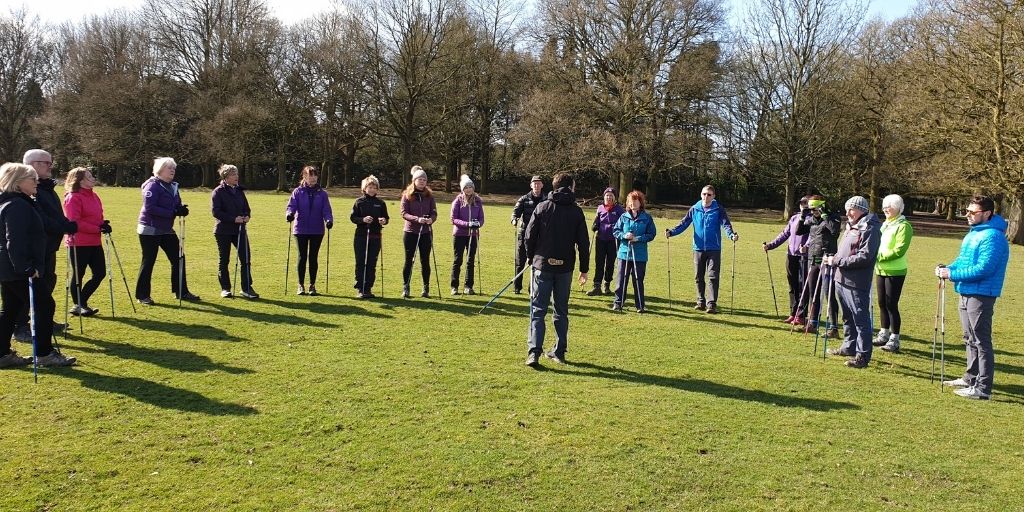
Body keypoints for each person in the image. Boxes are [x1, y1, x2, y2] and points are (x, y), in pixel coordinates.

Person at [0, 163, 75, 367]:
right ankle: (44, 353)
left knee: (11, 308)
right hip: (18, 269)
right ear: (18, 182)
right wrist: (25, 266)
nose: (36, 182)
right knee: (44, 305)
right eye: (32, 179)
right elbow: (14, 240)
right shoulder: (17, 205)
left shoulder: (14, 202)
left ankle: (2, 354)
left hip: (9, 268)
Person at [938, 196, 1009, 400]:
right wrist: (948, 268)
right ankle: (970, 377)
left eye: (972, 212)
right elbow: (963, 260)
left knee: (981, 340)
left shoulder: (993, 237)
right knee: (969, 338)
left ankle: (983, 388)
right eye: (967, 211)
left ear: (986, 213)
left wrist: (952, 275)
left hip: (982, 293)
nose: (967, 215)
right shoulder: (974, 234)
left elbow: (984, 269)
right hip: (966, 291)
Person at [524, 172, 589, 367]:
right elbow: (583, 244)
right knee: (561, 311)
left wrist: (530, 257)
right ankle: (559, 351)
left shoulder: (542, 207)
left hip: (542, 266)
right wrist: (584, 269)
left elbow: (529, 236)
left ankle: (534, 352)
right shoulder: (576, 211)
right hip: (564, 268)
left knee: (538, 310)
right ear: (571, 187)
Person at [12, 149, 77, 341]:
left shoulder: (47, 188)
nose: (51, 166)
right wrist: (64, 227)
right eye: (46, 163)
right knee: (29, 286)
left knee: (48, 281)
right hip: (35, 248)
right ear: (33, 165)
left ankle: (42, 320)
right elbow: (41, 219)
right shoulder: (29, 192)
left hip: (49, 246)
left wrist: (66, 224)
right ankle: (21, 325)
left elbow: (54, 214)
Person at [823, 196, 881, 369]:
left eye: (852, 209)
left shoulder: (870, 228)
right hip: (841, 279)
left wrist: (837, 261)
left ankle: (862, 356)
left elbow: (865, 256)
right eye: (847, 209)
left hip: (857, 282)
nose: (848, 213)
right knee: (847, 317)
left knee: (860, 320)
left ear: (862, 209)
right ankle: (849, 346)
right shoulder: (851, 225)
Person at [665, 184, 738, 314]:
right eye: (704, 194)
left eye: (709, 195)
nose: (706, 197)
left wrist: (731, 235)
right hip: (698, 248)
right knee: (698, 276)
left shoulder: (718, 209)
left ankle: (711, 304)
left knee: (713, 276)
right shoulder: (694, 209)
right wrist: (671, 232)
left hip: (714, 248)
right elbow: (684, 223)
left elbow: (726, 225)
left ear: (713, 196)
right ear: (701, 194)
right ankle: (700, 302)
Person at [135, 157, 199, 304]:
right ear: (160, 170)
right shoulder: (152, 186)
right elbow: (150, 208)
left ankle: (181, 291)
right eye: (169, 168)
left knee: (179, 258)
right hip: (149, 228)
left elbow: (176, 204)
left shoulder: (173, 186)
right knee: (149, 260)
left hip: (166, 228)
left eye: (173, 168)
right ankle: (142, 295)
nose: (172, 170)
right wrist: (172, 212)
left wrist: (181, 209)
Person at [63, 167, 110, 316]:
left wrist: (103, 224)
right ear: (80, 180)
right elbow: (74, 222)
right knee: (79, 274)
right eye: (89, 176)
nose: (93, 178)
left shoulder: (94, 196)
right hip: (78, 242)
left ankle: (80, 302)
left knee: (100, 273)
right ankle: (79, 305)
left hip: (95, 241)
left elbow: (97, 216)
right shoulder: (73, 197)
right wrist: (97, 228)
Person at [791, 195, 840, 333]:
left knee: (828, 294)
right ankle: (812, 323)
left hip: (827, 259)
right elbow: (799, 231)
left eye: (815, 209)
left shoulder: (832, 217)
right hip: (813, 259)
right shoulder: (811, 219)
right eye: (811, 210)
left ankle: (833, 327)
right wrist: (802, 215)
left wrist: (824, 215)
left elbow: (835, 232)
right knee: (813, 292)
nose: (813, 212)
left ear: (822, 206)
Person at [873, 194, 913, 352]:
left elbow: (899, 250)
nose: (885, 209)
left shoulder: (904, 226)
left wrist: (878, 257)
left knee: (891, 304)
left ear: (898, 208)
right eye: (884, 206)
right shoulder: (886, 224)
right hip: (880, 269)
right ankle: (883, 333)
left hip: (895, 270)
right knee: (882, 303)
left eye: (889, 206)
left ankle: (894, 339)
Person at [286, 165, 333, 296]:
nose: (312, 178)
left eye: (314, 175)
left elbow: (326, 209)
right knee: (302, 256)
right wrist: (289, 214)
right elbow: (291, 206)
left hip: (317, 229)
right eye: (309, 175)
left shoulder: (322, 194)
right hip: (300, 229)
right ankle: (300, 285)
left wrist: (329, 220)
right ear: (304, 177)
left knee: (313, 257)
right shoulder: (298, 191)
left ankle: (312, 285)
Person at [211, 164, 257, 299]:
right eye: (232, 174)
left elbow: (246, 208)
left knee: (246, 258)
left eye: (236, 174)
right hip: (223, 231)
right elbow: (216, 212)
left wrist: (247, 216)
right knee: (224, 260)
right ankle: (225, 288)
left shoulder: (239, 191)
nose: (236, 177)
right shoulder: (218, 192)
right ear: (225, 177)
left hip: (240, 230)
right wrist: (233, 219)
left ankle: (247, 287)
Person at [763, 195, 811, 321]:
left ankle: (801, 315)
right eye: (801, 203)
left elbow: (814, 236)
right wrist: (771, 245)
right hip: (791, 255)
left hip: (805, 257)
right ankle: (793, 312)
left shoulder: (812, 219)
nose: (803, 205)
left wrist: (807, 246)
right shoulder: (794, 218)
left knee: (803, 286)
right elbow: (785, 234)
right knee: (792, 285)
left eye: (806, 203)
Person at [611, 190, 656, 313]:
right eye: (630, 201)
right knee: (621, 280)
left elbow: (652, 234)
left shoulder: (647, 218)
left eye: (635, 201)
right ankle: (618, 303)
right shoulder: (623, 217)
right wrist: (624, 235)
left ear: (640, 203)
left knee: (638, 280)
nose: (632, 203)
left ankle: (640, 305)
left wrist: (638, 238)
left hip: (640, 254)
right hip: (624, 253)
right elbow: (616, 231)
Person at [400, 166, 437, 299]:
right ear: (414, 180)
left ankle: (426, 288)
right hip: (410, 232)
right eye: (419, 179)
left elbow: (434, 212)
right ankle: (406, 287)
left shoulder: (429, 196)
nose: (422, 181)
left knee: (425, 260)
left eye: (424, 179)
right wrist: (417, 219)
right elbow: (404, 213)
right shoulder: (407, 195)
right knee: (409, 260)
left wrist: (430, 220)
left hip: (426, 232)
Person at [350, 175, 389, 299]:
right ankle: (360, 287)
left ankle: (368, 288)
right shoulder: (359, 202)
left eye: (374, 187)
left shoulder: (381, 203)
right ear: (364, 188)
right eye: (369, 187)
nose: (372, 189)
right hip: (361, 236)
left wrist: (384, 221)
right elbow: (353, 218)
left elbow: (386, 218)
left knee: (372, 262)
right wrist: (363, 219)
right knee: (361, 261)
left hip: (376, 236)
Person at [450, 174, 484, 295]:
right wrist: (467, 224)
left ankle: (468, 286)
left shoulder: (478, 201)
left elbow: (481, 219)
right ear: (462, 189)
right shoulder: (457, 201)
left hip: (473, 235)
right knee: (458, 260)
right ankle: (454, 286)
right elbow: (453, 219)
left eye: (470, 187)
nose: (468, 189)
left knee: (470, 260)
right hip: (459, 234)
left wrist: (477, 224)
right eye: (466, 187)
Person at [511, 176, 544, 294]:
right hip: (523, 235)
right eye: (534, 184)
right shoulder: (524, 199)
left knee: (536, 263)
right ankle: (517, 287)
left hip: (539, 237)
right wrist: (514, 220)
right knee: (520, 262)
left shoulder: (545, 200)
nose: (536, 186)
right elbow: (515, 213)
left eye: (538, 183)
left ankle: (532, 288)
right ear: (531, 186)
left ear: (542, 185)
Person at [588, 187, 624, 296]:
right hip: (601, 239)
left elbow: (623, 223)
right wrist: (595, 225)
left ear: (614, 198)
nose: (608, 197)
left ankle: (607, 285)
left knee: (610, 263)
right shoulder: (600, 208)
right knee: (599, 262)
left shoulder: (619, 209)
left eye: (611, 196)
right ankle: (597, 286)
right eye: (607, 195)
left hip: (613, 240)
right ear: (604, 197)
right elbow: (597, 221)